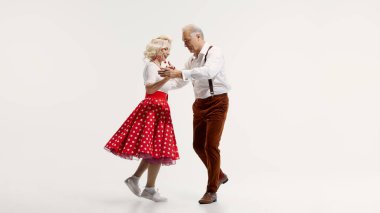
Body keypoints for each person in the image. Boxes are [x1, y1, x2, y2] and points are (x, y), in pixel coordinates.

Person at [104, 35, 186, 202]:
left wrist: (184, 75)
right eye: (165, 49)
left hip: (162, 108)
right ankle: (147, 187)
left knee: (156, 150)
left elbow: (174, 85)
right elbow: (149, 89)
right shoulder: (151, 66)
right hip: (152, 108)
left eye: (169, 49)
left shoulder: (165, 66)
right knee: (156, 150)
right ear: (156, 50)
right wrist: (167, 77)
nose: (168, 53)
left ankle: (140, 182)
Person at [159, 24, 231, 204]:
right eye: (184, 42)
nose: (185, 45)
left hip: (217, 103)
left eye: (187, 41)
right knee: (198, 145)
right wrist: (160, 83)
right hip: (199, 104)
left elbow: (208, 72)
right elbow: (180, 82)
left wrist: (180, 73)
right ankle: (219, 175)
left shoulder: (214, 52)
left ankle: (211, 190)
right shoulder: (191, 61)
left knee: (211, 146)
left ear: (198, 36)